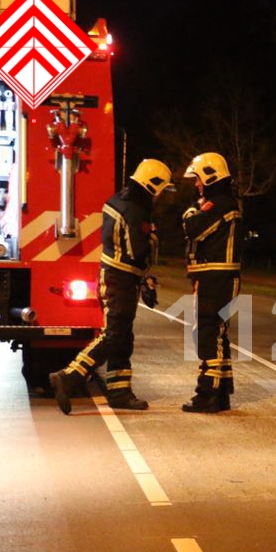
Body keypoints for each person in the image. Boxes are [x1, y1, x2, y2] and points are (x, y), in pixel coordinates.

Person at [50, 159, 172, 414]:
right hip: (120, 280)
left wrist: (144, 277)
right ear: (153, 185)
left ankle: (120, 391)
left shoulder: (119, 201)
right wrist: (151, 239)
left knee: (123, 336)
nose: (160, 197)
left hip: (116, 277)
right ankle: (70, 376)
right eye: (161, 190)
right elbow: (136, 251)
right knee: (114, 335)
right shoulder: (135, 210)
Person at [181, 152, 242, 413]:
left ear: (210, 176)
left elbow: (192, 227)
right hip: (220, 277)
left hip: (215, 278)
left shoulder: (219, 204)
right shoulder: (226, 203)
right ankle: (222, 392)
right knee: (218, 334)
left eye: (198, 179)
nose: (196, 185)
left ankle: (207, 394)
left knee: (207, 333)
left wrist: (192, 210)